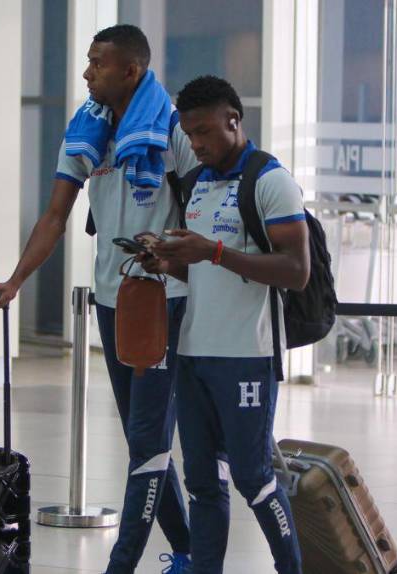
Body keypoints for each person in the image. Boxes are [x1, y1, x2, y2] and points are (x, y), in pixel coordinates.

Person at [0, 25, 194, 574]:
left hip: (165, 299)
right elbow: (56, 216)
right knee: (143, 441)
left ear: (131, 71)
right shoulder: (87, 130)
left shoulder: (173, 131)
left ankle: (123, 564)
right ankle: (190, 553)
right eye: (89, 60)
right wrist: (16, 281)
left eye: (99, 63)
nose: (87, 72)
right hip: (112, 299)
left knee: (147, 440)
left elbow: (201, 212)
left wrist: (176, 256)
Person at [145, 75, 306, 574]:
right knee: (202, 482)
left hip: (246, 356)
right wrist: (166, 262)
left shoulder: (271, 180)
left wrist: (213, 251)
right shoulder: (196, 182)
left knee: (253, 477)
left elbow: (296, 271)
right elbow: (200, 269)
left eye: (203, 132)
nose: (195, 144)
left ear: (233, 121)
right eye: (188, 134)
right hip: (193, 352)